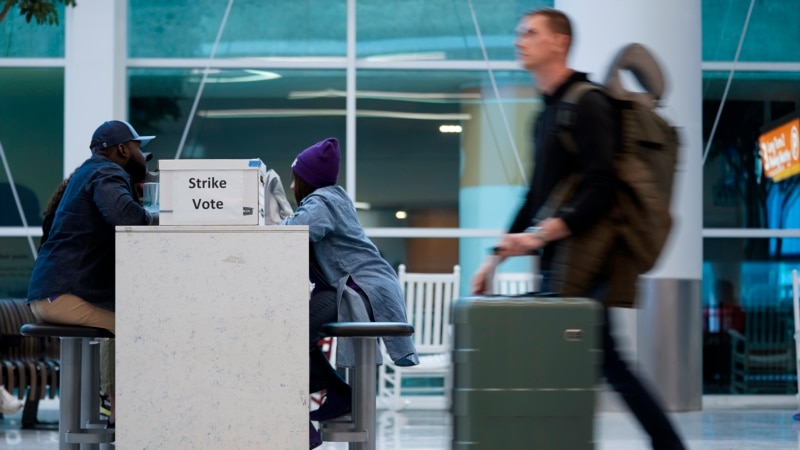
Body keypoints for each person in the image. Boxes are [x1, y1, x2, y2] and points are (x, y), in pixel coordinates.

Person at [470, 9, 686, 450]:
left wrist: (542, 235)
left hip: (595, 262)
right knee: (598, 361)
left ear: (559, 42)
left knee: (592, 360)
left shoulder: (589, 103)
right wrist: (495, 256)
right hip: (567, 262)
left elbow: (601, 189)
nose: (520, 41)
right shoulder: (546, 113)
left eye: (530, 33)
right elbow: (535, 196)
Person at [279, 137, 419, 449]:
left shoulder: (321, 202)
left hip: (362, 289)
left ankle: (305, 417)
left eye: (294, 178)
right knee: (295, 331)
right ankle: (337, 394)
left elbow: (293, 233)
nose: (291, 186)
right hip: (365, 286)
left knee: (290, 331)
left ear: (306, 181)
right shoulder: (334, 198)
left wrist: (274, 225)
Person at [27, 119, 157, 427]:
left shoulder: (87, 173)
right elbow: (126, 217)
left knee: (124, 318)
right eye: (140, 149)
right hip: (62, 295)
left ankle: (112, 406)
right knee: (137, 329)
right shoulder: (107, 172)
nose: (144, 158)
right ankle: (119, 410)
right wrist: (160, 217)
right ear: (123, 150)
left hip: (51, 293)